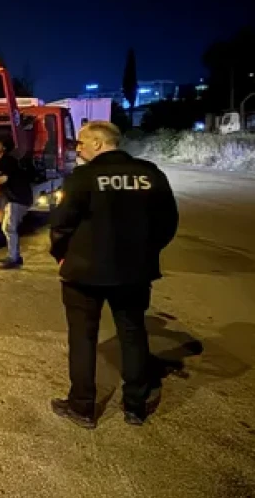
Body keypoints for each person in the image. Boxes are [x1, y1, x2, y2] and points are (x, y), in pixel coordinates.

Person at [48, 121, 179, 428]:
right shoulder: (150, 175)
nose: (77, 148)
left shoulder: (83, 178)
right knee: (133, 334)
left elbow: (61, 224)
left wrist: (61, 255)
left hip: (84, 273)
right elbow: (168, 223)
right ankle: (135, 405)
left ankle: (82, 407)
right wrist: (147, 252)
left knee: (82, 338)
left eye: (80, 143)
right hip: (134, 273)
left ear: (98, 143)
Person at [0, 140, 33, 269]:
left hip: (19, 198)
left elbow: (4, 179)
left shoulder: (7, 162)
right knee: (8, 227)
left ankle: (13, 259)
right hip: (14, 199)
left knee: (9, 228)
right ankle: (14, 256)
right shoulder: (0, 164)